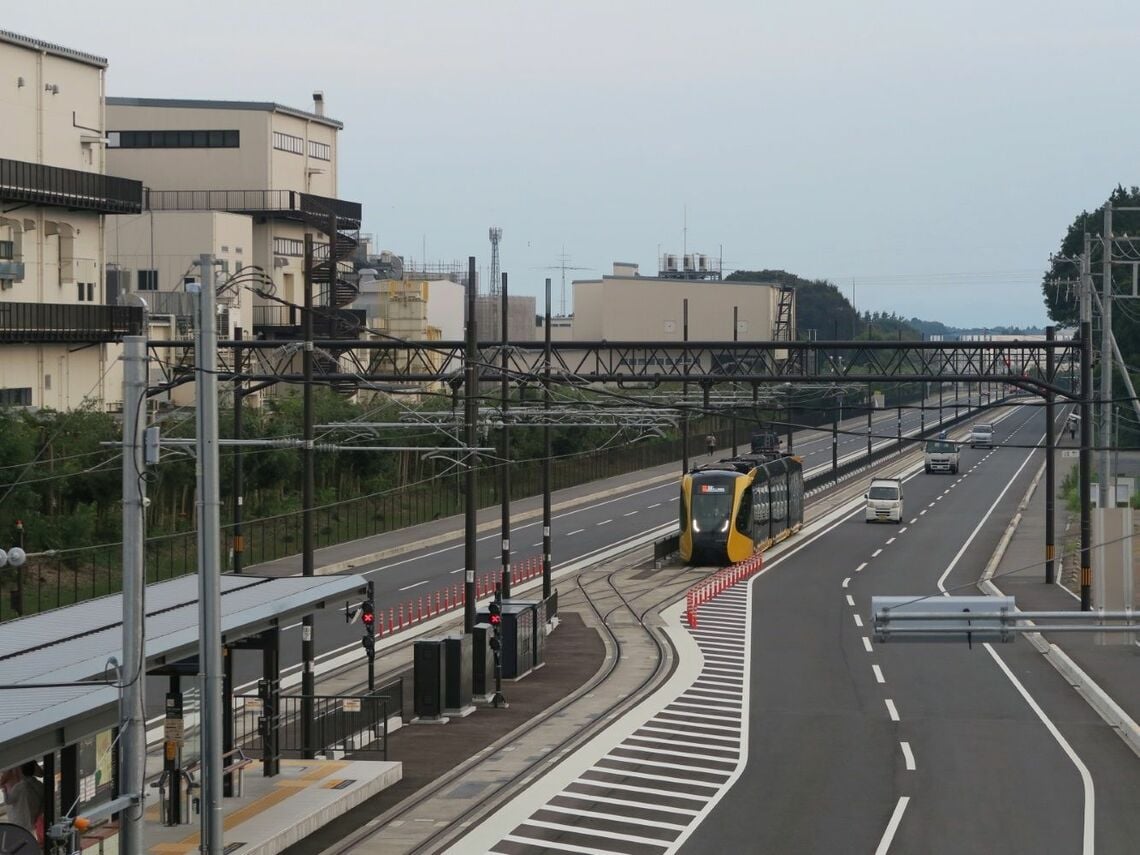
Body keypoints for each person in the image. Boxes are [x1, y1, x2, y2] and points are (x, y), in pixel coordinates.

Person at [1, 762, 44, 840]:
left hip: (17, 800)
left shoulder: (22, 759)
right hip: (21, 801)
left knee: (20, 829)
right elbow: (41, 773)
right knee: (29, 829)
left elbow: (41, 773)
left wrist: (4, 791)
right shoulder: (39, 785)